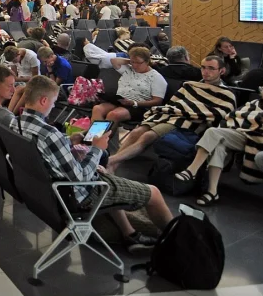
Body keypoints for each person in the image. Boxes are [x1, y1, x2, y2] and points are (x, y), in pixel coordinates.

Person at [12, 76, 170, 252]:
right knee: (153, 193)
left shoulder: (17, 122)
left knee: (106, 175)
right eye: (54, 101)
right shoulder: (49, 133)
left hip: (41, 192)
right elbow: (81, 178)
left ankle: (130, 235)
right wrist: (97, 149)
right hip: (75, 195)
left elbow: (48, 150)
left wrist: (69, 140)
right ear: (43, 100)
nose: (53, 105)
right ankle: (176, 244)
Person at [175, 78, 263, 206]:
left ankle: (191, 170)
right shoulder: (253, 103)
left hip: (255, 140)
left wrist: (240, 127)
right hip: (236, 134)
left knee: (213, 132)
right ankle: (212, 192)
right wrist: (239, 127)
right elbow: (232, 116)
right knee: (219, 146)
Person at [109, 54, 237, 171]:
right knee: (135, 132)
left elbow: (218, 114)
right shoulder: (190, 85)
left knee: (147, 136)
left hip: (186, 121)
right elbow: (173, 103)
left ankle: (110, 161)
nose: (205, 72)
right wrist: (175, 110)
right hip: (170, 114)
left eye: (211, 68)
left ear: (222, 70)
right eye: (203, 67)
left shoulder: (226, 93)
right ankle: (113, 166)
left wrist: (186, 111)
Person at [91, 47, 167, 133]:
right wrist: (131, 60)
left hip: (139, 106)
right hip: (121, 101)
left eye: (138, 63)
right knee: (97, 109)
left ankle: (99, 142)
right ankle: (93, 138)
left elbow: (158, 101)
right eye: (132, 62)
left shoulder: (157, 78)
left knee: (113, 114)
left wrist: (134, 103)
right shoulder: (129, 69)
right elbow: (114, 60)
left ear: (147, 61)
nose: (134, 65)